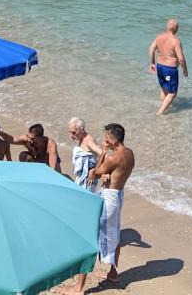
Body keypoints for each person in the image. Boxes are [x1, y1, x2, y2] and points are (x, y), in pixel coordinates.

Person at [74, 123, 135, 293]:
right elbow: (116, 172)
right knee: (114, 233)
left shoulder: (112, 158)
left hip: (109, 199)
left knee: (93, 235)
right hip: (118, 194)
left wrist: (103, 152)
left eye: (107, 136)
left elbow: (94, 173)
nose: (104, 139)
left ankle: (79, 287)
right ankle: (113, 274)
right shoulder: (129, 153)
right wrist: (110, 175)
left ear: (113, 139)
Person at [148, 19, 188, 115]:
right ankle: (160, 112)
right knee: (172, 93)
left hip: (160, 67)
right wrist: (185, 69)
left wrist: (152, 63)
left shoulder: (159, 37)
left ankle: (164, 106)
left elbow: (151, 48)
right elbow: (181, 58)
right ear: (175, 28)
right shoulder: (175, 40)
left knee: (164, 88)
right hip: (169, 71)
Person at [69, 117, 103, 190]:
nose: (71, 136)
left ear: (82, 129)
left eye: (74, 132)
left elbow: (104, 155)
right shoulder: (81, 139)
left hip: (88, 180)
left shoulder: (88, 141)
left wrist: (95, 170)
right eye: (70, 132)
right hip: (81, 177)